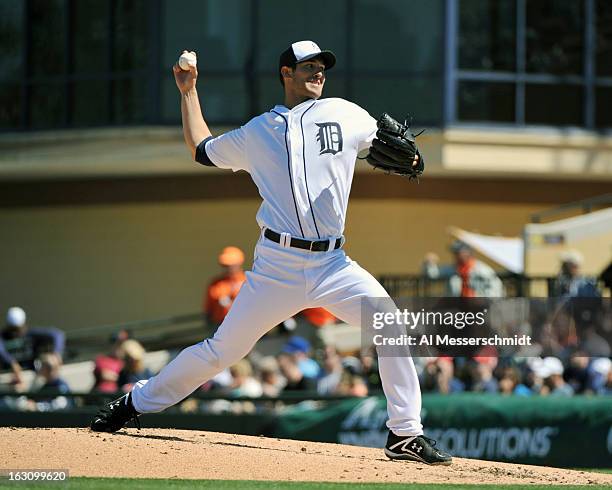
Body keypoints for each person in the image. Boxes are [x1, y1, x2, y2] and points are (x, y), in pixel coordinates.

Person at [90, 40, 451, 465]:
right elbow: (201, 149)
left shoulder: (346, 113)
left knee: (390, 325)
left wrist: (410, 159)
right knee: (222, 351)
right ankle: (136, 403)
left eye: (322, 67)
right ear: (285, 73)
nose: (318, 73)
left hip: (333, 264)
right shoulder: (258, 131)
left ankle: (404, 434)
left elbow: (391, 147)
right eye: (308, 66)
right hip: (276, 267)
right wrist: (188, 92)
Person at [0, 307, 65, 388]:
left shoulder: (30, 334)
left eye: (17, 329)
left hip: (31, 374)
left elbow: (57, 334)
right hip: (8, 377)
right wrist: (12, 363)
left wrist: (56, 353)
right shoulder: (3, 336)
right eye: (12, 329)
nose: (15, 333)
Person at [422, 242, 504, 297]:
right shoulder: (453, 268)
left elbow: (496, 288)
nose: (456, 256)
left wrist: (484, 301)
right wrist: (429, 263)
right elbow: (433, 274)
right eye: (455, 253)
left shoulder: (482, 270)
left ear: (467, 253)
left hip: (480, 311)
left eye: (458, 253)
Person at [204, 246, 247, 326]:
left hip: (244, 324)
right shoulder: (216, 283)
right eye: (225, 265)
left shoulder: (247, 281)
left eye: (231, 265)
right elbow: (208, 309)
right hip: (219, 325)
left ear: (239, 264)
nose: (228, 268)